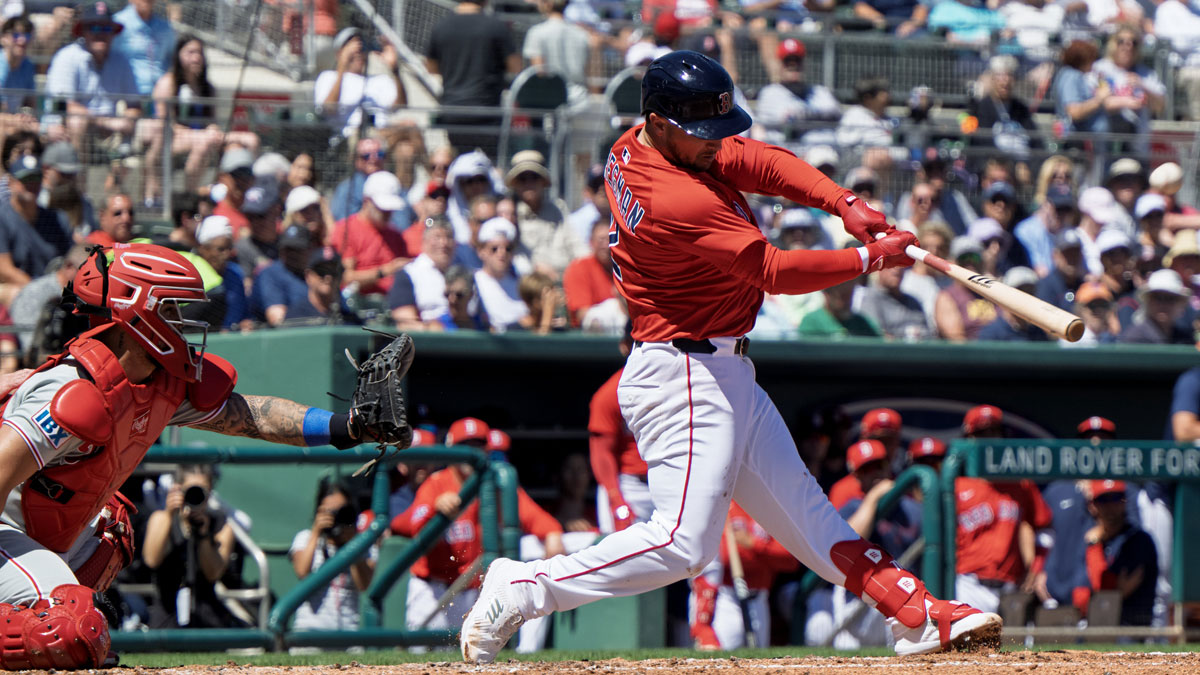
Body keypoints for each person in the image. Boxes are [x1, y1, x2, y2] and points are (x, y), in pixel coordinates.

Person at [458, 51, 1002, 664]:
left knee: (806, 511)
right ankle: (524, 586)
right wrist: (869, 260)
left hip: (720, 367)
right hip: (683, 372)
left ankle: (912, 613)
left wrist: (842, 201)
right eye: (703, 130)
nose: (717, 142)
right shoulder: (673, 197)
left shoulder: (644, 141)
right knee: (683, 544)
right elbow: (769, 269)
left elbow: (758, 160)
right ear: (660, 122)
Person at [0, 241, 409, 668]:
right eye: (174, 310)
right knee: (70, 627)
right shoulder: (70, 390)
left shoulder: (157, 384)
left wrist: (348, 426)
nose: (185, 324)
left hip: (39, 534)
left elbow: (251, 416)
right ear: (138, 311)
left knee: (112, 528)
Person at [393, 417, 564, 635]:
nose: (471, 453)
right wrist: (436, 509)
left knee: (469, 661)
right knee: (420, 661)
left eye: (477, 446)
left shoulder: (496, 481)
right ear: (452, 451)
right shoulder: (436, 483)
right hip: (431, 589)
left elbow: (539, 519)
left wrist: (553, 535)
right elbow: (418, 534)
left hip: (471, 591)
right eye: (465, 447)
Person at [828, 439, 923, 649]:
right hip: (858, 601)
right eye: (866, 469)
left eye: (878, 466)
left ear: (888, 466)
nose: (875, 474)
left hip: (902, 599)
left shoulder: (913, 509)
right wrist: (873, 499)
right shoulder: (852, 507)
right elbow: (849, 540)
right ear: (857, 476)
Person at [144, 35, 257, 203]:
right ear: (178, 55)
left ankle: (249, 193)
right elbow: (166, 124)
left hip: (206, 136)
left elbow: (212, 121)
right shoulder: (168, 84)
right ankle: (191, 196)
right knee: (204, 141)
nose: (196, 58)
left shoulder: (208, 88)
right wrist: (201, 134)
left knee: (251, 139)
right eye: (190, 52)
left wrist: (211, 129)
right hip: (175, 139)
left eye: (200, 53)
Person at [141, 464, 241, 628]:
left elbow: (213, 573)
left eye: (202, 491)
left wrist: (203, 534)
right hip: (166, 614)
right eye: (190, 490)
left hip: (207, 618)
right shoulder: (162, 518)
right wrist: (169, 514)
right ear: (178, 489)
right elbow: (151, 559)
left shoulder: (220, 525)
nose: (195, 496)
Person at [689, 501, 797, 650]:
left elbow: (790, 560)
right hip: (726, 597)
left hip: (759, 597)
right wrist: (761, 555)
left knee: (758, 660)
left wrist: (753, 544)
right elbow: (721, 558)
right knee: (724, 657)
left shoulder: (769, 507)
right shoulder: (725, 506)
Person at [425, 0, 521, 157]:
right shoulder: (496, 26)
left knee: (461, 169)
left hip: (453, 112)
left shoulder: (441, 27)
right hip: (487, 112)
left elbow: (431, 67)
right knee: (494, 167)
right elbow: (515, 67)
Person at [44, 2, 140, 155]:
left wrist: (127, 120)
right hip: (65, 129)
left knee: (150, 128)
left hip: (110, 131)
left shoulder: (121, 60)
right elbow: (63, 105)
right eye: (94, 28)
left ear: (113, 32)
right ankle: (76, 179)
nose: (100, 33)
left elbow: (134, 105)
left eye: (106, 28)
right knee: (77, 122)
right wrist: (104, 122)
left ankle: (113, 179)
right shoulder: (67, 57)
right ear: (82, 31)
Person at [589, 326, 651, 534]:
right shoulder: (609, 394)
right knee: (625, 559)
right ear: (624, 347)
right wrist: (616, 499)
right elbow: (601, 453)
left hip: (671, 483)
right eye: (638, 345)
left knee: (703, 564)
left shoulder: (675, 387)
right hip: (631, 486)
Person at [289, 480, 375, 630]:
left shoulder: (363, 545)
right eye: (330, 512)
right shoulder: (305, 538)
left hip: (347, 633)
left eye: (341, 511)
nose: (335, 518)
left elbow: (363, 585)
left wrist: (351, 543)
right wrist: (317, 531)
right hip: (309, 630)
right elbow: (302, 572)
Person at [1084, 479, 1158, 626]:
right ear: (1092, 505)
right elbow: (1077, 593)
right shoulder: (1087, 538)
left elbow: (1106, 590)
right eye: (1103, 499)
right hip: (1090, 625)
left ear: (1125, 501)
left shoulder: (1139, 540)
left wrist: (1094, 548)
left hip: (1130, 629)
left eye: (1116, 498)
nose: (1110, 506)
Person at [328, 171, 412, 296]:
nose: (387, 213)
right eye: (382, 208)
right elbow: (345, 278)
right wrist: (384, 271)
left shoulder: (396, 236)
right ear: (366, 201)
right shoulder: (346, 230)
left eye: (390, 209)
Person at [314, 27, 405, 139]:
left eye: (361, 49)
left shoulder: (381, 79)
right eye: (350, 49)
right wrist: (342, 66)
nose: (358, 52)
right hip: (349, 136)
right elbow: (328, 108)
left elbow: (400, 105)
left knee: (410, 131)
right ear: (339, 53)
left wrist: (395, 70)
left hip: (382, 136)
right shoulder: (328, 77)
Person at [507, 150, 585, 277]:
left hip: (564, 279)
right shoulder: (511, 214)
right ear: (515, 184)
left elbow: (576, 244)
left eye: (534, 177)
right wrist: (536, 268)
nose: (528, 183)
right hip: (526, 284)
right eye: (522, 179)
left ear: (543, 181)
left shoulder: (558, 209)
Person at [0, 155, 71, 286]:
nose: (32, 184)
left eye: (36, 178)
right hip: (17, 291)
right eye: (25, 179)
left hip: (54, 290)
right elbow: (4, 269)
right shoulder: (3, 218)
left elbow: (70, 260)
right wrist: (38, 291)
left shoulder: (57, 219)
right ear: (11, 183)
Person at [754, 39, 841, 143]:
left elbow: (836, 112)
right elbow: (788, 119)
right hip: (786, 154)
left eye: (797, 60)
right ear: (779, 65)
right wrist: (820, 116)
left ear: (804, 64)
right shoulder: (769, 93)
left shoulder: (820, 91)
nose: (793, 65)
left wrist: (803, 116)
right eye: (788, 61)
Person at [389, 218, 457, 331]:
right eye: (437, 237)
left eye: (449, 237)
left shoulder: (463, 273)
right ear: (424, 241)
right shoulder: (409, 273)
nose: (444, 243)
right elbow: (405, 323)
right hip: (430, 343)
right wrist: (435, 330)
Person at [522, 0, 591, 102]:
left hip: (550, 98)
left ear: (549, 4)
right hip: (579, 98)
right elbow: (588, 72)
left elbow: (539, 72)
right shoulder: (581, 34)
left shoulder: (536, 32)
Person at [472, 217, 527, 332]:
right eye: (494, 249)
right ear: (481, 251)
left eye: (508, 248)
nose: (501, 253)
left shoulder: (521, 285)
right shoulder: (472, 283)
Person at [112, 0, 174, 98]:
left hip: (160, 96)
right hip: (128, 94)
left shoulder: (165, 28)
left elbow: (172, 60)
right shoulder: (118, 24)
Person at [857, 265, 931, 341]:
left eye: (900, 265)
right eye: (892, 265)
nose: (896, 269)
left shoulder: (913, 302)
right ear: (879, 269)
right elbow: (876, 336)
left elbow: (928, 334)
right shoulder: (871, 299)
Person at [1119, 269, 1193, 344]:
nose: (1163, 304)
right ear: (1148, 302)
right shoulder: (1135, 338)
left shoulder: (1185, 338)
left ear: (1180, 304)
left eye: (1170, 299)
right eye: (1158, 298)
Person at [563, 222, 614, 329]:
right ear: (591, 242)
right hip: (588, 336)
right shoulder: (579, 267)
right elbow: (582, 315)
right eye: (601, 240)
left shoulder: (622, 267)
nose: (606, 245)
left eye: (610, 239)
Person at [1053, 39, 1109, 135]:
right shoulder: (1071, 76)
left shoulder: (1076, 76)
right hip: (1080, 142)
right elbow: (1074, 111)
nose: (1093, 63)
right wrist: (1099, 99)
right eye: (1091, 59)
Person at [797, 278, 880, 338]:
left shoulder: (863, 324)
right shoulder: (811, 322)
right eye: (839, 295)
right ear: (826, 292)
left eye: (847, 295)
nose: (844, 301)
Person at [0, 16, 36, 120]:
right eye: (16, 35)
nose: (22, 40)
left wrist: (27, 116)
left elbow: (30, 105)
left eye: (27, 35)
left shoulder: (28, 66)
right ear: (3, 38)